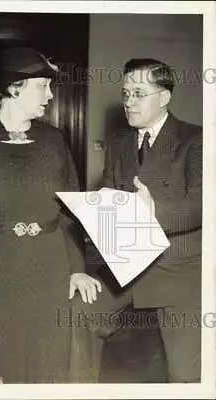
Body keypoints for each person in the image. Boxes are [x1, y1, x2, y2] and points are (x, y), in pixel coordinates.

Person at [0, 46, 101, 383]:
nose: (50, 95)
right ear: (14, 88)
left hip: (49, 272)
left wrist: (77, 270)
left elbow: (70, 214)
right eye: (42, 86)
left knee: (47, 369)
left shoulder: (55, 141)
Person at [69, 58, 202, 383]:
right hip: (128, 263)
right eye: (125, 92)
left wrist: (153, 209)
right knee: (80, 312)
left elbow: (204, 204)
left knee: (185, 372)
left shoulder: (195, 140)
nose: (128, 101)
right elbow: (114, 194)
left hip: (178, 269)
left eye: (139, 93)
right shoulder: (119, 142)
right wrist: (94, 210)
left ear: (164, 97)